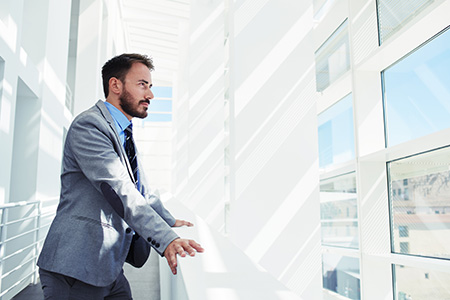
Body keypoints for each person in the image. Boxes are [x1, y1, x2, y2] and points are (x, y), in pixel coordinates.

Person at [37, 53, 204, 299]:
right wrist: (166, 239)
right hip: (75, 267)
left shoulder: (123, 131)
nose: (150, 95)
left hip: (108, 266)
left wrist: (168, 219)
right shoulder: (90, 126)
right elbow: (119, 188)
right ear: (115, 85)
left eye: (150, 86)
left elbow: (141, 190)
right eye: (142, 85)